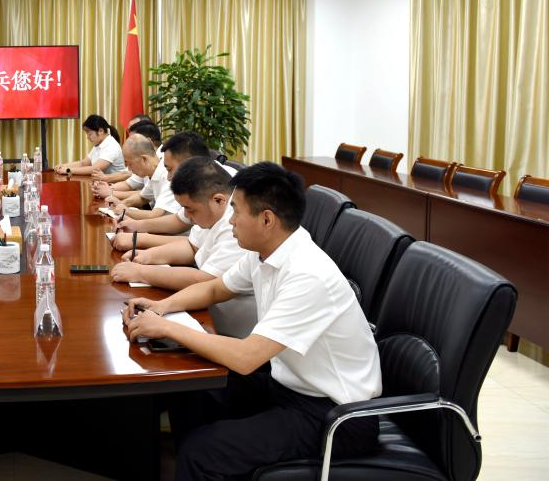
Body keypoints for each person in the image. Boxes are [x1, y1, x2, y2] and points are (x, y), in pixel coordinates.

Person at [123, 162, 381, 480]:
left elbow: (246, 358)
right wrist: (161, 307)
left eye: (236, 211)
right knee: (189, 387)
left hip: (336, 416)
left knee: (202, 452)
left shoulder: (308, 275)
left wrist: (166, 327)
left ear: (266, 220)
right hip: (289, 385)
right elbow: (216, 288)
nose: (230, 220)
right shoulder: (265, 251)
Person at [110, 157, 257, 338]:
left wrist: (142, 273)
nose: (185, 216)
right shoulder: (215, 209)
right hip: (206, 314)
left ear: (219, 200)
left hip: (230, 330)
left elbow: (206, 281)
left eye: (190, 209)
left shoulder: (238, 225)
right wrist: (148, 257)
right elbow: (192, 247)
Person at [100, 133, 181, 221]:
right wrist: (121, 203)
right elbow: (142, 197)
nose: (129, 169)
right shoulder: (153, 172)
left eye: (130, 164)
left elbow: (154, 216)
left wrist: (125, 210)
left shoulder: (168, 175)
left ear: (144, 159)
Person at [93, 120, 162, 193]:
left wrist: (109, 190)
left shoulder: (163, 163)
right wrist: (105, 189)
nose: (130, 143)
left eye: (134, 140)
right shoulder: (146, 163)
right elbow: (130, 184)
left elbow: (144, 195)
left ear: (148, 141)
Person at [53, 114, 125, 175]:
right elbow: (84, 163)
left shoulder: (112, 146)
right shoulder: (99, 144)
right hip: (103, 183)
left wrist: (68, 170)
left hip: (115, 185)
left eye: (89, 134)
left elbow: (95, 169)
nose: (87, 137)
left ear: (101, 131)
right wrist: (63, 166)